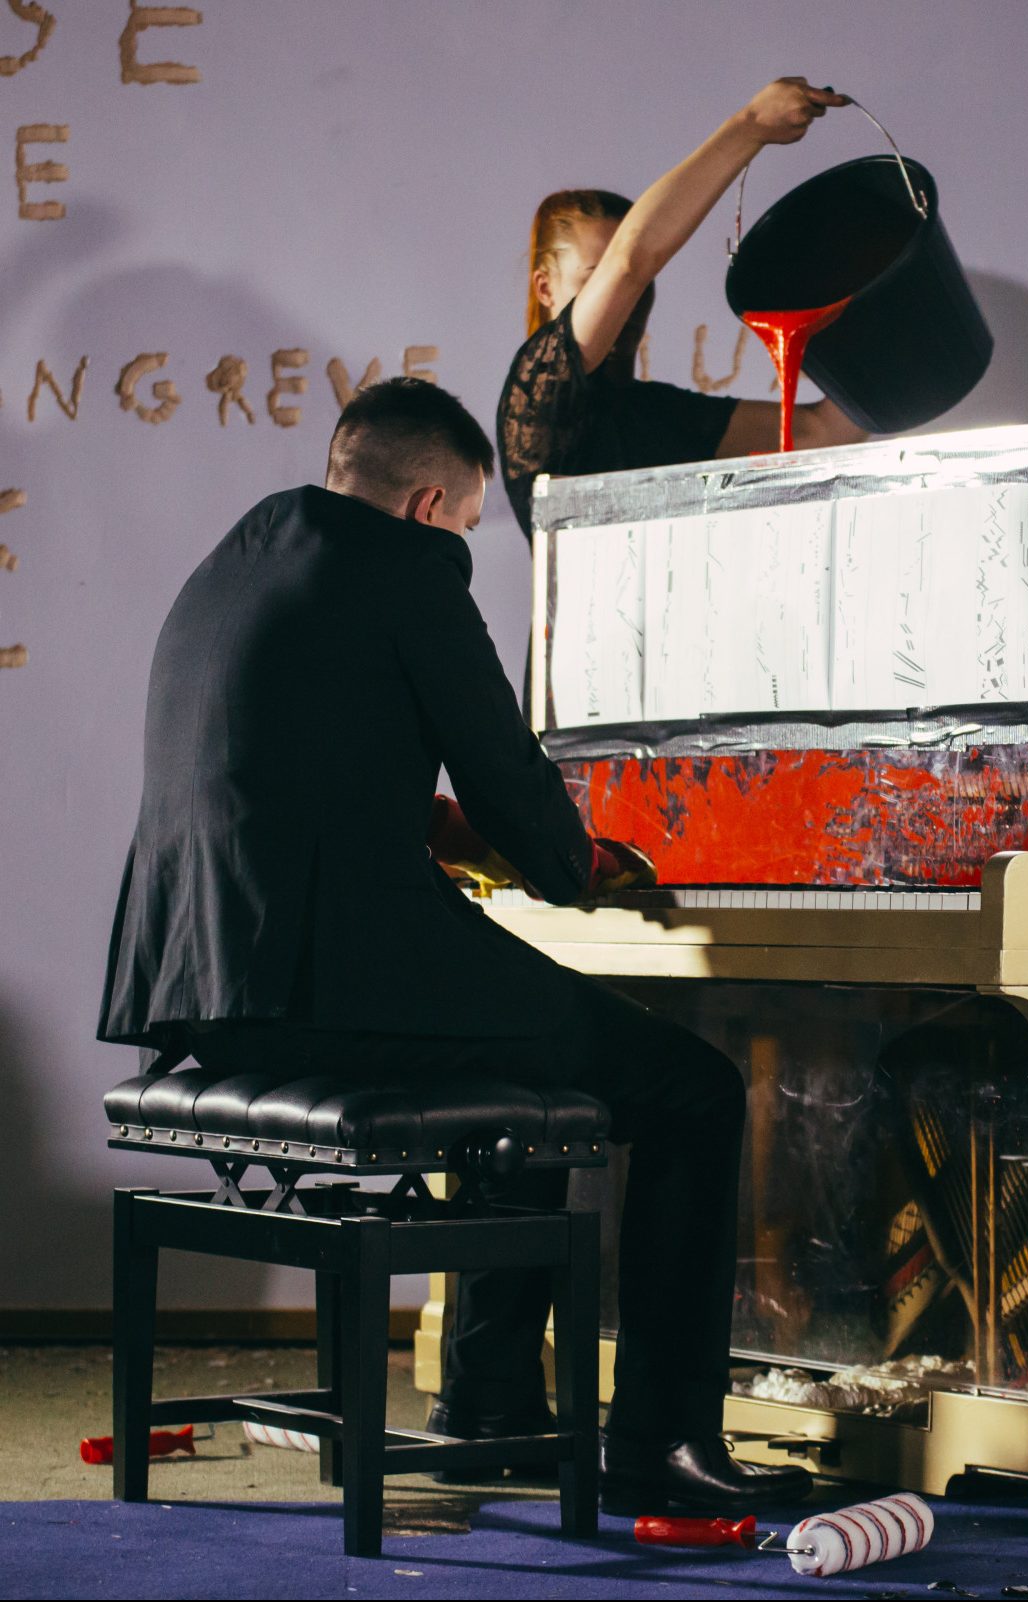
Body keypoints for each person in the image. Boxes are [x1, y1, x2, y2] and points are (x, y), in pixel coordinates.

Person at [97, 376, 809, 1512]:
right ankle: (662, 1448)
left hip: (197, 985)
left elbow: (296, 773)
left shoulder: (243, 556)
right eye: (474, 525)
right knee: (694, 1087)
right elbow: (507, 779)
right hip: (331, 982)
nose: (467, 546)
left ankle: (488, 1402)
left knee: (524, 1052)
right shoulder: (407, 571)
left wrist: (460, 836)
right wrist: (584, 870)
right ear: (432, 505)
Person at [497, 76, 868, 544]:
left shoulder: (653, 413)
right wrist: (750, 125)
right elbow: (632, 260)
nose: (625, 300)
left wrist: (900, 326)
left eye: (636, 287)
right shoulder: (536, 391)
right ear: (545, 288)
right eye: (596, 280)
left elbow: (820, 432)